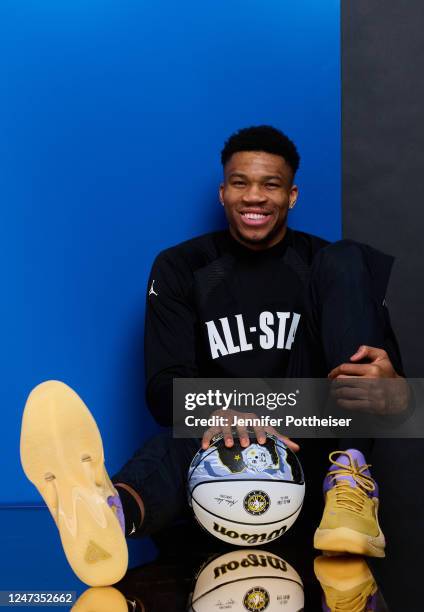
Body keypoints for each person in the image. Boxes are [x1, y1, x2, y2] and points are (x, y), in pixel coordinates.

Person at [20, 126, 408, 586]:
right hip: (221, 446)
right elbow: (163, 392)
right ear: (223, 192)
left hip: (314, 445)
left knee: (348, 257)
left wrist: (394, 395)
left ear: (293, 195)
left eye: (271, 184)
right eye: (240, 183)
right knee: (177, 443)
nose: (255, 197)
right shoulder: (182, 267)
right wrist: (220, 409)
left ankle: (350, 481)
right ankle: (105, 513)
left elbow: (397, 402)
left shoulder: (330, 267)